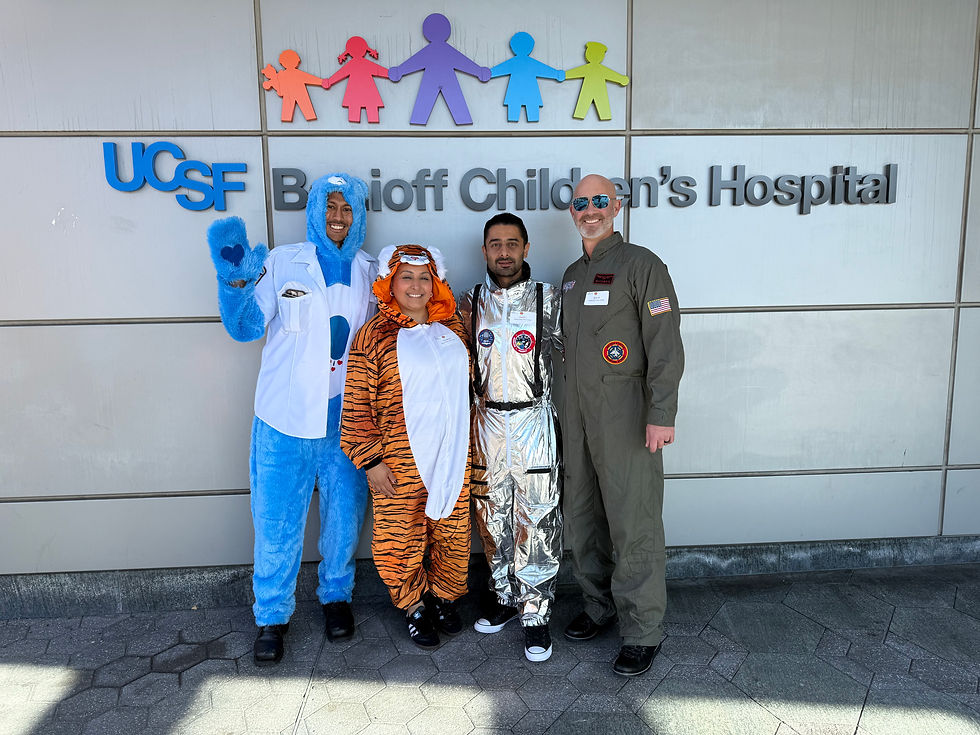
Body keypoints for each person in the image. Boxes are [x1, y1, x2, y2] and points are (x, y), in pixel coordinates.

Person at [206, 173, 377, 666]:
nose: (338, 217)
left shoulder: (372, 271)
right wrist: (234, 282)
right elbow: (246, 327)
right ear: (315, 211)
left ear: (358, 215)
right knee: (276, 523)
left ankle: (337, 597)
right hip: (284, 421)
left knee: (344, 519)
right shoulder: (283, 262)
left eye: (347, 208)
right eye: (330, 207)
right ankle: (272, 616)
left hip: (347, 423)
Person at [559, 174, 684, 676]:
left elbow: (665, 344)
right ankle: (598, 606)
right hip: (576, 419)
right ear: (573, 211)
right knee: (583, 517)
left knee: (634, 521)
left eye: (599, 201)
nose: (590, 210)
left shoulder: (642, 265)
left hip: (627, 418)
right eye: (581, 203)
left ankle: (643, 629)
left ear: (616, 207)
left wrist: (661, 414)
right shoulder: (571, 276)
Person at [341, 244, 472, 649]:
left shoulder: (455, 326)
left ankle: (444, 598)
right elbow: (356, 403)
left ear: (436, 282)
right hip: (399, 459)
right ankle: (413, 605)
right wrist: (371, 461)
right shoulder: (373, 335)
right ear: (390, 282)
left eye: (424, 278)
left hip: (453, 455)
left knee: (452, 532)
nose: (416, 286)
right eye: (406, 277)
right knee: (400, 538)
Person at [458, 213, 563, 662]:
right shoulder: (468, 303)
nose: (504, 252)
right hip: (486, 422)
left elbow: (583, 354)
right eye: (496, 244)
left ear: (526, 248)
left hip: (533, 419)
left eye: (512, 243)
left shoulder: (548, 299)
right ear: (484, 250)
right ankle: (504, 596)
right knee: (492, 514)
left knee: (537, 517)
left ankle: (536, 613)